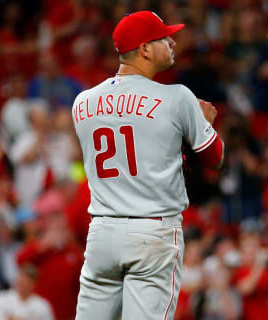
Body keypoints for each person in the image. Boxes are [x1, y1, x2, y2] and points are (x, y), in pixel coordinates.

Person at [72, 11, 224, 320]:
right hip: (152, 233)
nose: (171, 42)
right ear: (144, 49)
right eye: (163, 38)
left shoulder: (82, 102)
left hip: (102, 232)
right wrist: (203, 125)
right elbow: (214, 159)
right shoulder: (176, 97)